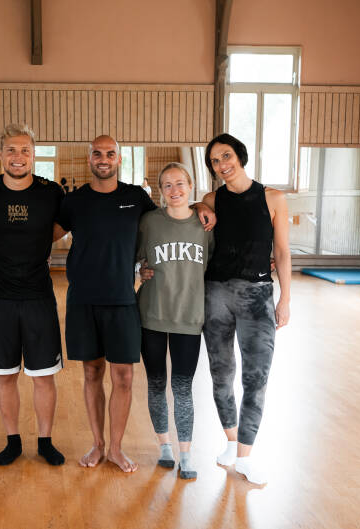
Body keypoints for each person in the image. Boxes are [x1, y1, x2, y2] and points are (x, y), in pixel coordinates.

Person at [58, 136, 215, 473]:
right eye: (97, 154)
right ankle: (97, 445)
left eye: (110, 154)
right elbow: (45, 233)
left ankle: (116, 448)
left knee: (125, 377)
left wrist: (202, 205)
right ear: (89, 159)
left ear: (119, 159)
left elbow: (171, 214)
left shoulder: (136, 198)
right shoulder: (75, 201)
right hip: (83, 300)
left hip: (124, 300)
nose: (104, 159)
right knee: (91, 372)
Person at [0, 123, 66, 467]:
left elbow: (64, 224)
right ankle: (12, 440)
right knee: (5, 375)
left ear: (34, 154)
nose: (18, 156)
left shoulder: (51, 192)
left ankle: (45, 441)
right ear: (0, 154)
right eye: (11, 149)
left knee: (43, 376)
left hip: (38, 296)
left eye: (25, 150)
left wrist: (40, 243)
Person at [201, 133, 291, 484]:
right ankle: (231, 441)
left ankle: (246, 456)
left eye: (226, 156)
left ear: (240, 156)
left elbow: (282, 253)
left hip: (258, 297)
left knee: (256, 378)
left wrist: (285, 299)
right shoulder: (212, 199)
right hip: (216, 295)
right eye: (214, 161)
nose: (222, 165)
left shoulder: (273, 198)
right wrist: (198, 206)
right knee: (221, 374)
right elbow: (194, 218)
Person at [136, 163, 213, 480]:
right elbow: (136, 259)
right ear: (159, 190)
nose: (175, 190)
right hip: (152, 315)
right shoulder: (149, 222)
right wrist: (140, 270)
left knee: (183, 387)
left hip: (188, 318)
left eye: (180, 183)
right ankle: (164, 446)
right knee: (156, 383)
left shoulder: (205, 225)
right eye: (167, 185)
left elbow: (214, 267)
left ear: (191, 185)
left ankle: (186, 453)